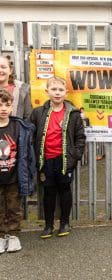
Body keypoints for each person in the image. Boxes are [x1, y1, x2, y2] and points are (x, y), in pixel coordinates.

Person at [29, 76, 86, 238]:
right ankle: (48, 225)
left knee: (65, 190)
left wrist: (75, 156)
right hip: (46, 160)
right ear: (47, 92)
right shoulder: (38, 113)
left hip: (65, 160)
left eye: (61, 90)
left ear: (66, 93)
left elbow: (80, 137)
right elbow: (29, 134)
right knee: (48, 192)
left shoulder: (73, 114)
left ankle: (65, 222)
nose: (57, 93)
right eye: (54, 90)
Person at [0, 89, 35, 253]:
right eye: (0, 105)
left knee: (14, 207)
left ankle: (13, 235)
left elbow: (26, 154)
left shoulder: (19, 126)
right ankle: (1, 236)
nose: (3, 108)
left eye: (7, 105)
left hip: (14, 177)